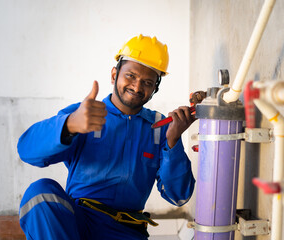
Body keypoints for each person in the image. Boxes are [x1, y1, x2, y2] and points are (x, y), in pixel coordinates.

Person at [17, 34, 196, 240]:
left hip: (127, 231)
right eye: (130, 76)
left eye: (147, 82)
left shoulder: (159, 128)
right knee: (39, 193)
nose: (137, 87)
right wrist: (70, 124)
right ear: (114, 75)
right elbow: (26, 151)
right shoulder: (85, 114)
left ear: (154, 89)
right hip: (79, 224)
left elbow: (179, 196)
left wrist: (173, 142)